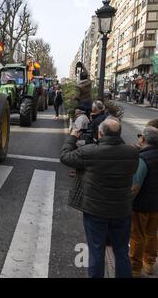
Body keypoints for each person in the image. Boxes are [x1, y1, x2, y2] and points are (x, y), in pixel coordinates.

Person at [60, 118, 140, 278]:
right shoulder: (132, 153)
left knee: (96, 251)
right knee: (121, 252)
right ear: (120, 134)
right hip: (121, 211)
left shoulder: (89, 152)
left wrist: (73, 137)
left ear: (100, 133)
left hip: (95, 211)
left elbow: (65, 156)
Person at [130, 126, 158, 277]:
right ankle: (150, 264)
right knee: (152, 233)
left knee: (137, 235)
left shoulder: (143, 158)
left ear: (144, 139)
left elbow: (135, 186)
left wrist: (127, 202)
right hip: (156, 205)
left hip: (142, 205)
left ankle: (135, 267)